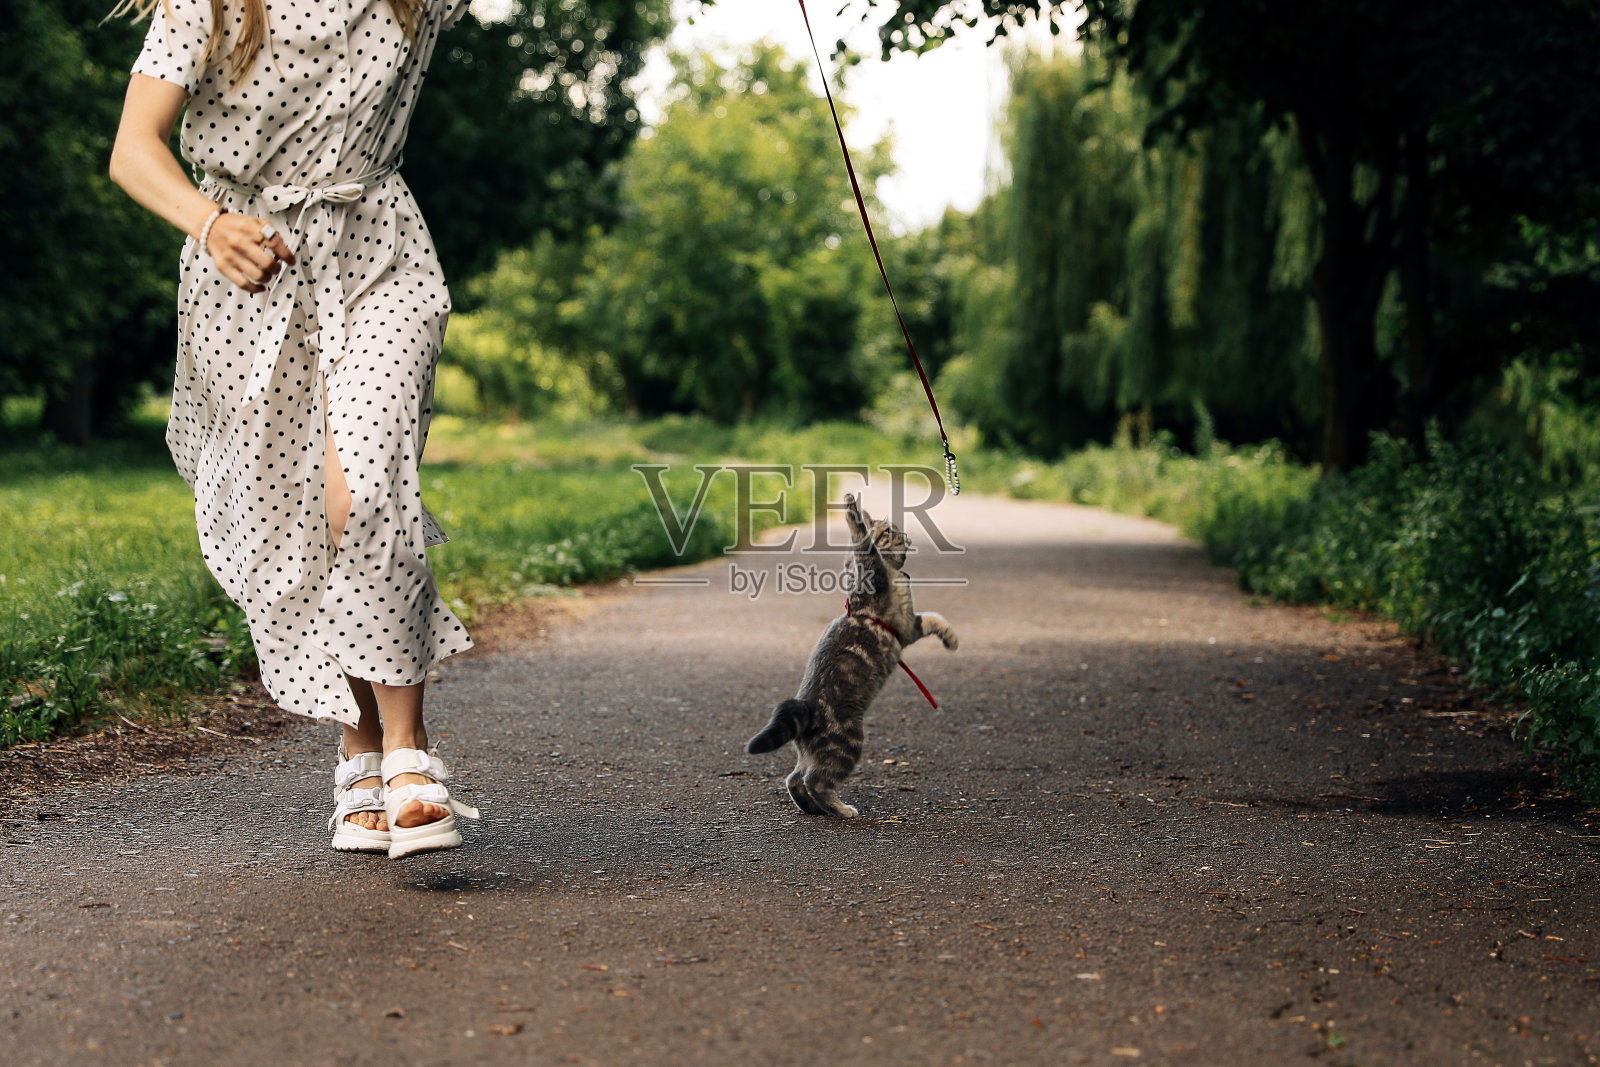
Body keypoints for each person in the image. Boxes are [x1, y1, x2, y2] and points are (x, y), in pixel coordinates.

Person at [108, 0, 479, 858]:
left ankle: (407, 753)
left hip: (380, 257)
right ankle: (358, 752)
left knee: (365, 485)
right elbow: (133, 150)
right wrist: (209, 222)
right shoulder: (210, 7)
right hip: (251, 278)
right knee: (304, 524)